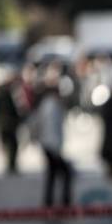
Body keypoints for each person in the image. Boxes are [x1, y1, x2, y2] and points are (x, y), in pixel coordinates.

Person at [30, 71, 73, 207]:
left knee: (52, 175)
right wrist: (55, 148)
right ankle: (62, 202)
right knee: (64, 173)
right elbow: (51, 129)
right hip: (51, 146)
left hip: (48, 145)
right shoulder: (51, 106)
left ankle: (49, 202)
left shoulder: (47, 105)